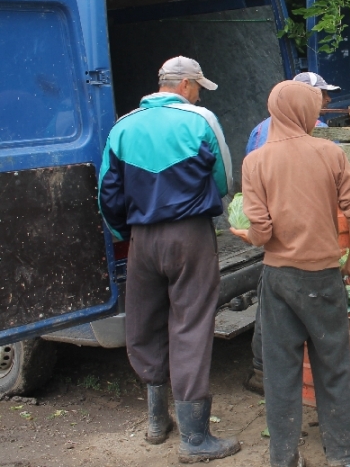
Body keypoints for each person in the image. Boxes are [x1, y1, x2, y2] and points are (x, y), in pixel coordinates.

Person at [231, 80, 350, 467]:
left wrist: (248, 237)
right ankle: (348, 457)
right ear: (303, 111)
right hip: (322, 278)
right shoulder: (329, 153)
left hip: (278, 279)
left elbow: (262, 232)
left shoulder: (255, 162)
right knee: (332, 367)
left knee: (280, 374)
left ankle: (284, 459)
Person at [98, 56, 240, 462]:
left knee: (145, 322)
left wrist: (126, 233)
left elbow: (107, 193)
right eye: (199, 87)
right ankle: (195, 439)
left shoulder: (122, 127)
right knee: (190, 324)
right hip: (190, 236)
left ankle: (157, 422)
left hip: (142, 239)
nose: (199, 94)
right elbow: (224, 179)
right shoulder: (200, 120)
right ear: (186, 85)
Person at [243, 71, 341, 396]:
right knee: (315, 319)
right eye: (321, 95)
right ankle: (309, 381)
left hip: (270, 234)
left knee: (270, 304)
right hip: (307, 241)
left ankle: (261, 370)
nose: (325, 101)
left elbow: (252, 181)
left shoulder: (259, 129)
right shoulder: (318, 133)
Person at [246, 71, 338, 154]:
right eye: (321, 94)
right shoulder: (319, 128)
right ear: (304, 97)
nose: (328, 99)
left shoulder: (259, 130)